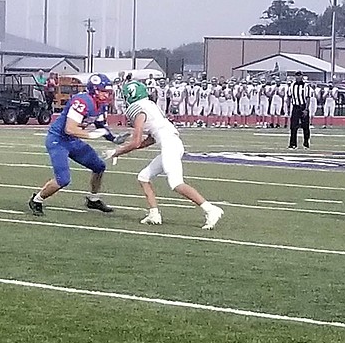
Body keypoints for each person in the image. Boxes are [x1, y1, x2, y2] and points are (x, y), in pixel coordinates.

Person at [107, 79, 224, 229]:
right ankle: (154, 214)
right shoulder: (149, 105)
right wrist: (126, 148)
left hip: (171, 144)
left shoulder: (136, 108)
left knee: (176, 183)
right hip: (172, 142)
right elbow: (149, 139)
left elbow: (136, 142)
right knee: (143, 177)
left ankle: (211, 209)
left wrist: (117, 152)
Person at [28, 74, 127, 216]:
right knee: (63, 179)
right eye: (104, 91)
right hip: (58, 140)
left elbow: (99, 125)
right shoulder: (83, 101)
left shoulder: (100, 105)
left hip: (72, 140)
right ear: (94, 90)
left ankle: (93, 199)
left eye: (108, 92)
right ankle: (37, 200)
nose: (107, 95)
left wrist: (113, 139)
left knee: (99, 166)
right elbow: (70, 128)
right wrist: (89, 135)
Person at [288, 71, 311, 149]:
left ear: (302, 76)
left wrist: (306, 109)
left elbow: (308, 98)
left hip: (303, 106)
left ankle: (306, 143)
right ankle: (293, 143)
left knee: (305, 126)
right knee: (293, 126)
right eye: (297, 76)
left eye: (300, 75)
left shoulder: (306, 86)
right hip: (295, 107)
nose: (298, 77)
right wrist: (288, 107)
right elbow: (289, 96)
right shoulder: (292, 85)